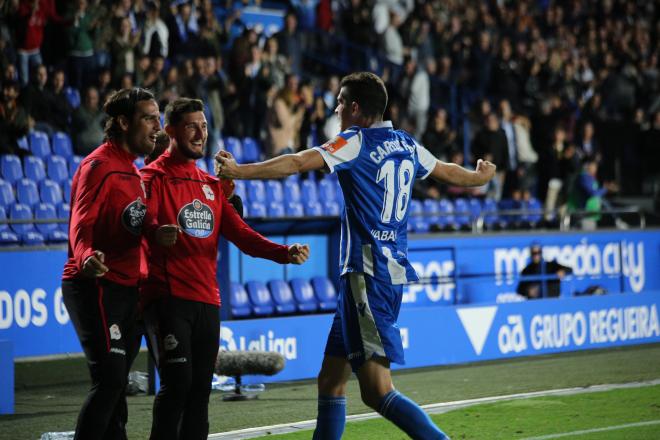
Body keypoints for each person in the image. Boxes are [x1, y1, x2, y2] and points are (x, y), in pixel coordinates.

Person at [216, 72, 496, 440]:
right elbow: (446, 172)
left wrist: (240, 171)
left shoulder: (355, 141)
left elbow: (298, 163)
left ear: (354, 107)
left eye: (339, 103)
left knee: (377, 392)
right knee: (331, 381)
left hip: (367, 278)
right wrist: (478, 179)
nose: (335, 110)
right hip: (381, 275)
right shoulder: (407, 144)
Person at [140, 97, 309, 440]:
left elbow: (243, 236)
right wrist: (155, 233)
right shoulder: (150, 178)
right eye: (192, 126)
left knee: (200, 391)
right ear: (170, 130)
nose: (201, 133)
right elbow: (138, 228)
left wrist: (284, 252)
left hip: (208, 302)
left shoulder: (211, 186)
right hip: (168, 299)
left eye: (203, 126)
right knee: (177, 386)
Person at [61, 87, 164, 440]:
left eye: (159, 119)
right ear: (123, 122)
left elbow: (139, 224)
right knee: (111, 379)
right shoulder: (98, 166)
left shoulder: (134, 173)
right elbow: (80, 223)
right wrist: (87, 256)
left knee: (116, 387)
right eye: (149, 118)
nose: (157, 127)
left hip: (125, 290)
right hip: (93, 285)